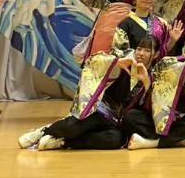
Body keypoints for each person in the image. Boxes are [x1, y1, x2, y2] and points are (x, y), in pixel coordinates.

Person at [19, 35, 159, 151]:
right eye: (139, 49)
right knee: (73, 126)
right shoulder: (125, 59)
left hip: (119, 122)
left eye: (147, 50)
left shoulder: (155, 75)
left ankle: (64, 142)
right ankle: (43, 132)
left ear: (156, 54)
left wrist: (146, 82)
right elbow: (94, 61)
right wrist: (116, 63)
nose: (141, 53)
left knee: (114, 140)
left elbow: (153, 108)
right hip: (102, 110)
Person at [113, 0, 178, 59]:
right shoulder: (125, 23)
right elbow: (119, 52)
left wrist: (172, 40)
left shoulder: (161, 23)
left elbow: (163, 52)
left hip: (154, 66)